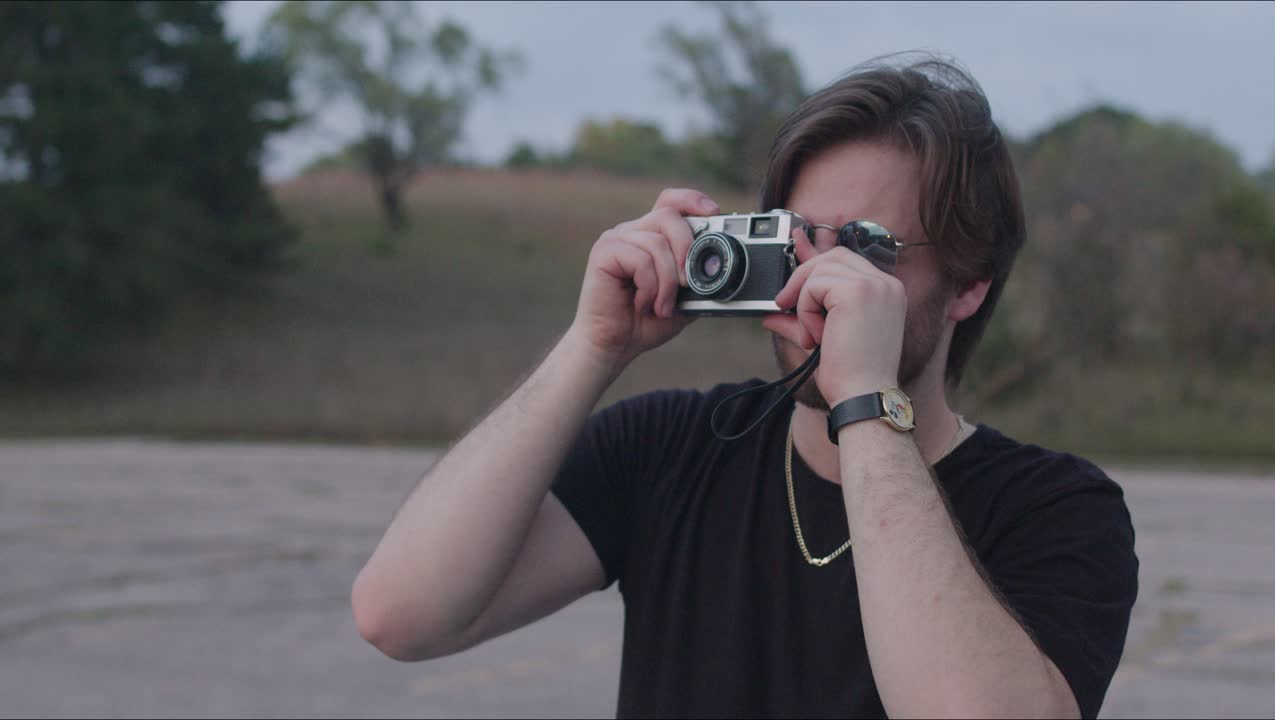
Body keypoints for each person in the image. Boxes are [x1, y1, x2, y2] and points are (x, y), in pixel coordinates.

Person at [351, 55, 1139, 719]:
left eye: (863, 245)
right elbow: (399, 615)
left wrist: (864, 400)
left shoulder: (1058, 511)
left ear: (968, 284)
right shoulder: (670, 448)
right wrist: (591, 347)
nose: (816, 275)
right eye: (798, 236)